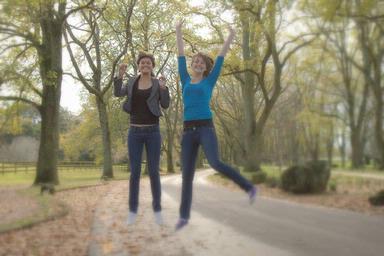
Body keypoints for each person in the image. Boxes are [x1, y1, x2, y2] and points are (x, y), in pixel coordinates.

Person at [175, 21, 257, 231]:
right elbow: (180, 56)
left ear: (206, 67)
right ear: (192, 65)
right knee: (187, 175)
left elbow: (220, 58)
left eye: (202, 62)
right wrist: (178, 31)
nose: (198, 63)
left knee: (215, 163)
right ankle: (183, 216)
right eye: (196, 61)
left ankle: (248, 186)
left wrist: (230, 35)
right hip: (187, 131)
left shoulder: (209, 82)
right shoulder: (184, 79)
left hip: (205, 129)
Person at [114, 52, 170, 225]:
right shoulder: (131, 82)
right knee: (135, 172)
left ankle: (158, 210)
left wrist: (163, 88)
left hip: (153, 132)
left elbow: (165, 104)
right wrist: (120, 76)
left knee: (154, 172)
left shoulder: (156, 83)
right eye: (142, 63)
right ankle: (132, 210)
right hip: (134, 132)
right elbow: (118, 93)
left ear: (152, 66)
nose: (145, 65)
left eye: (148, 63)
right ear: (138, 66)